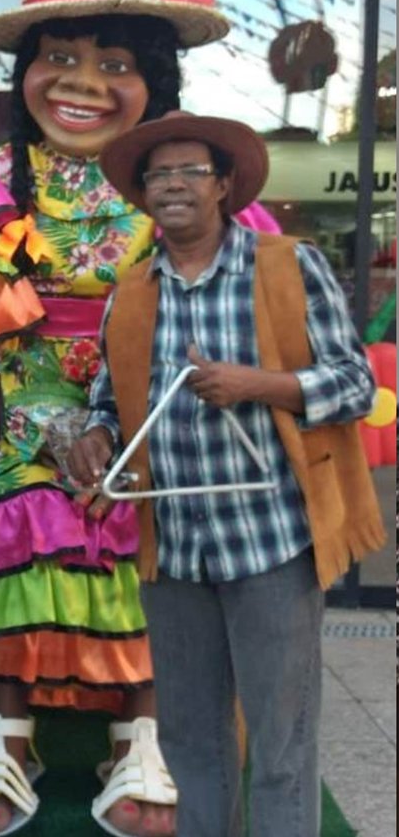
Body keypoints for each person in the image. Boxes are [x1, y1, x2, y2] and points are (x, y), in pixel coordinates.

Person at [0, 0, 233, 836]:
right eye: (62, 57)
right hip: (4, 423)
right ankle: (6, 730)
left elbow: (221, 329)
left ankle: (142, 736)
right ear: (25, 72)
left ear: (154, 85)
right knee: (18, 500)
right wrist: (35, 425)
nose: (83, 84)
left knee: (146, 502)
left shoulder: (190, 196)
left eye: (116, 65)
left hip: (151, 426)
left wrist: (117, 430)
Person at [65, 111, 384, 837]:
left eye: (191, 172)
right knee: (193, 742)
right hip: (174, 550)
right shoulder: (133, 291)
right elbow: (109, 407)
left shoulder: (286, 266)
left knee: (280, 744)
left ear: (225, 186)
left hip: (270, 541)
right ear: (143, 194)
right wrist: (92, 440)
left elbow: (355, 385)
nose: (173, 186)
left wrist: (258, 386)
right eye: (158, 175)